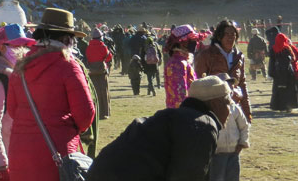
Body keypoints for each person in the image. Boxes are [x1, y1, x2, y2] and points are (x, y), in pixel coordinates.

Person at [6, 8, 95, 181]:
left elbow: (12, 109)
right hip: (58, 154)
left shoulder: (20, 65)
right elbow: (85, 115)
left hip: (20, 154)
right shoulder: (68, 65)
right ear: (65, 38)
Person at [85, 75, 231, 181]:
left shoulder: (175, 117)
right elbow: (187, 176)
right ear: (216, 103)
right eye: (228, 103)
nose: (230, 110)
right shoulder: (202, 125)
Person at [0, 24, 35, 181]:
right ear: (2, 48)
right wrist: (1, 167)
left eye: (25, 45)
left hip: (9, 153)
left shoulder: (12, 74)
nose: (23, 50)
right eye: (17, 45)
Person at [194, 20, 252, 122]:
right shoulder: (206, 55)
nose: (230, 37)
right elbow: (199, 84)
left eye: (233, 34)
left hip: (235, 107)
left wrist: (247, 112)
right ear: (219, 36)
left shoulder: (239, 57)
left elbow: (242, 84)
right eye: (227, 34)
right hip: (213, 109)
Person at [209, 73, 250, 181]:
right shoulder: (211, 108)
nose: (231, 89)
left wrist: (242, 142)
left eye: (232, 86)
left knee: (232, 177)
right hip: (217, 152)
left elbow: (244, 126)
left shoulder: (234, 107)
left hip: (233, 151)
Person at [163, 24, 199, 108]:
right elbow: (179, 96)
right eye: (192, 40)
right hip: (181, 114)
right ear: (182, 42)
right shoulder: (178, 64)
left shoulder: (181, 61)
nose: (195, 43)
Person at [269, 33, 298, 112]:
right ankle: (289, 106)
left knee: (279, 90)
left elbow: (271, 62)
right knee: (289, 90)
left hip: (277, 73)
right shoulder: (287, 48)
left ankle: (279, 106)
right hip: (288, 73)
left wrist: (271, 73)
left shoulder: (273, 49)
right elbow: (293, 58)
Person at [86, 28, 113, 119]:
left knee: (95, 92)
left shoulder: (88, 47)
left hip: (92, 72)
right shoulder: (103, 46)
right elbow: (109, 57)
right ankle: (105, 113)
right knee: (104, 91)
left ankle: (96, 112)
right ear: (100, 37)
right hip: (102, 71)